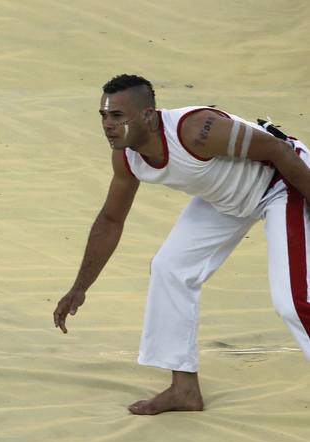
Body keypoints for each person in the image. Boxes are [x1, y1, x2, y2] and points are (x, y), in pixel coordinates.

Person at [54, 74, 310, 414]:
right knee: (170, 268)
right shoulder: (128, 157)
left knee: (291, 301)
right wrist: (79, 287)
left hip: (282, 182)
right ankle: (184, 390)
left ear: (147, 115)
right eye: (103, 116)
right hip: (227, 199)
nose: (108, 125)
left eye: (118, 116)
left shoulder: (195, 130)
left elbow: (279, 150)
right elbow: (111, 220)